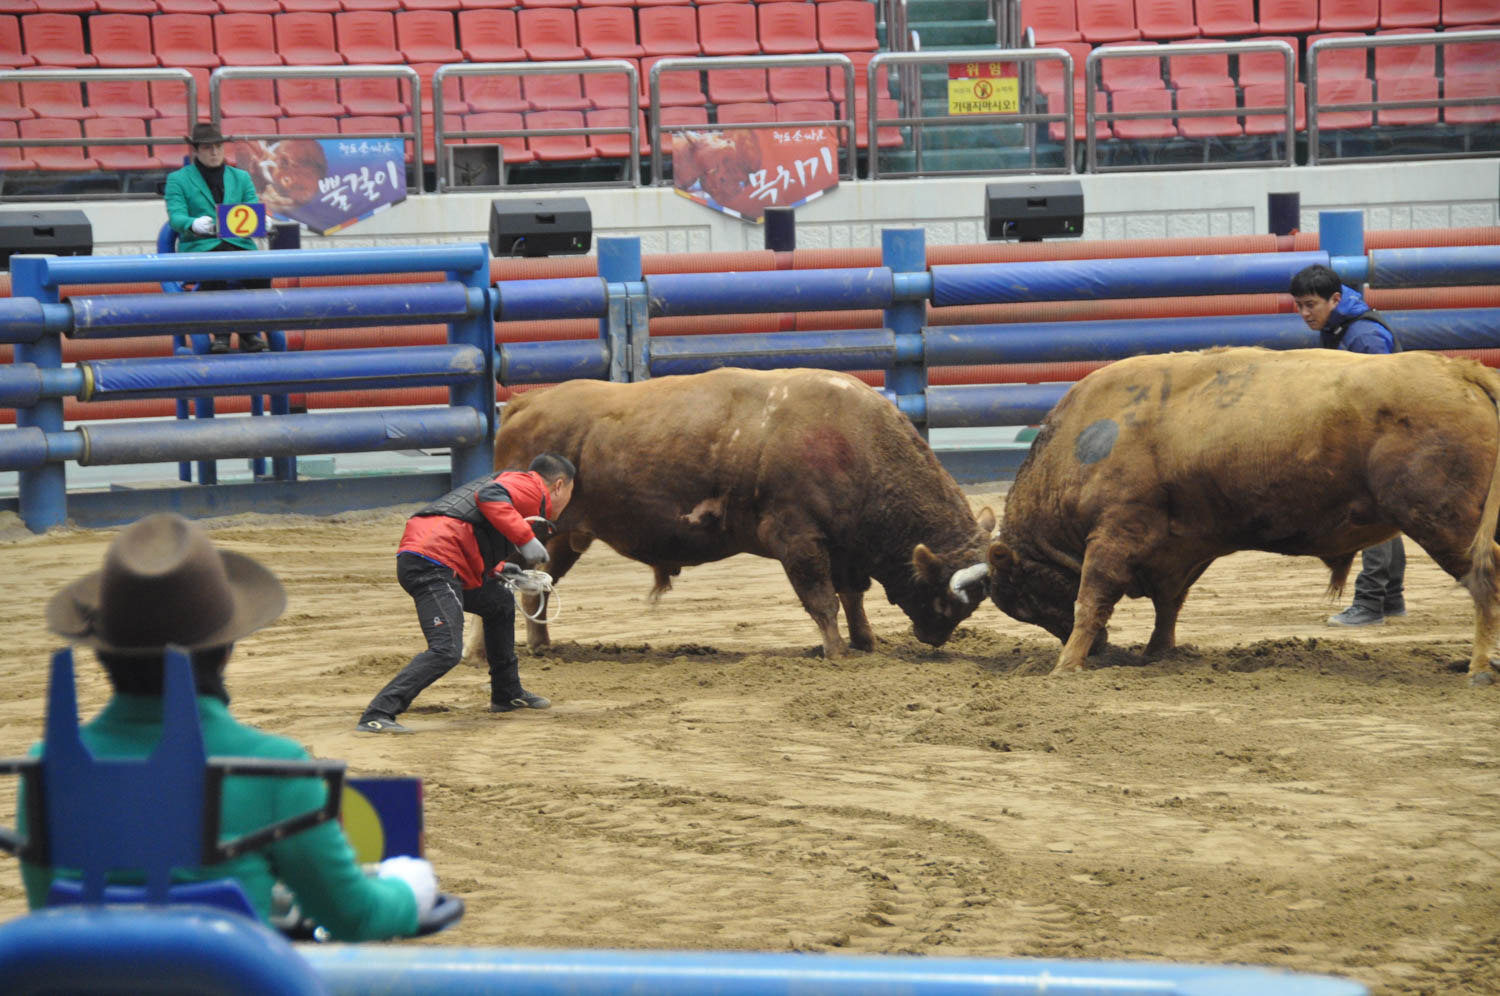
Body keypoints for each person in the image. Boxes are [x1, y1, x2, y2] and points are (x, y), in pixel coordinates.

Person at [20, 513, 436, 941]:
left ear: (102, 653)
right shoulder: (276, 768)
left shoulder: (45, 768)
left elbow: (49, 910)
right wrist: (409, 887)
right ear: (224, 652)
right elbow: (355, 917)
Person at [357, 453, 577, 735]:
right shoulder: (530, 486)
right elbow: (490, 496)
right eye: (571, 492)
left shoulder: (520, 489)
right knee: (445, 650)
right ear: (559, 485)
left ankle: (507, 694)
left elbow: (470, 527)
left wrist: (502, 570)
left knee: (499, 603)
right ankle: (377, 713)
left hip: (442, 560)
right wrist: (526, 539)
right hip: (431, 564)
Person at [1290, 262, 1406, 628]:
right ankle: (1391, 599)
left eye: (1311, 304)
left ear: (1335, 299)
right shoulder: (1342, 327)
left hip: (1378, 441)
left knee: (1369, 515)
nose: (1305, 313)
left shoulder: (1361, 336)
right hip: (1382, 438)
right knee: (1389, 517)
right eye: (1299, 305)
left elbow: (1380, 399)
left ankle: (1370, 603)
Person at [163, 122, 269, 355]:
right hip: (201, 247)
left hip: (238, 244)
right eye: (208, 147)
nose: (214, 152)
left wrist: (262, 220)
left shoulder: (240, 177)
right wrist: (192, 223)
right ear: (196, 150)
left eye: (218, 146)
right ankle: (226, 333)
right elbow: (176, 215)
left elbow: (251, 206)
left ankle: (249, 331)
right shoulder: (178, 179)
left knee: (262, 271)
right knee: (217, 263)